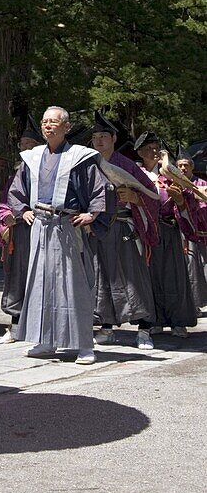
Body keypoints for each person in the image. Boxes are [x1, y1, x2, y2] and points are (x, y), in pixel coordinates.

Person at [7, 106, 111, 365]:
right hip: (40, 227)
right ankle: (46, 340)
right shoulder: (31, 158)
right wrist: (23, 211)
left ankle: (85, 345)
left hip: (66, 225)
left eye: (54, 122)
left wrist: (92, 215)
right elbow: (16, 190)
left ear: (66, 126)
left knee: (73, 285)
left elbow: (101, 188)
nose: (48, 126)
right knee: (40, 284)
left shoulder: (79, 157)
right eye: (45, 122)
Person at [90, 113, 159, 350]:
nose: (99, 141)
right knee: (102, 276)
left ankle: (144, 329)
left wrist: (135, 197)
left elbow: (153, 194)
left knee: (134, 276)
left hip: (125, 227)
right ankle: (106, 327)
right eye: (95, 137)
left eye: (103, 136)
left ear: (113, 138)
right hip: (99, 228)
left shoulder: (127, 164)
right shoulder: (90, 164)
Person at [134, 131, 197, 338]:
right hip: (145, 229)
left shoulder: (169, 174)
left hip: (169, 228)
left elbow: (187, 200)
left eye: (155, 148)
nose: (152, 152)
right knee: (150, 277)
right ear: (140, 152)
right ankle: (154, 320)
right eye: (147, 149)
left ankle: (178, 321)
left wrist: (179, 201)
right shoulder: (137, 173)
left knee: (174, 276)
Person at [0, 116, 44, 344]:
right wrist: (9, 217)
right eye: (22, 144)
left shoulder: (46, 167)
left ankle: (42, 326)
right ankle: (15, 325)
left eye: (29, 144)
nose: (25, 148)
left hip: (43, 226)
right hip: (21, 230)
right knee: (18, 276)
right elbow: (6, 200)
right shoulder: (17, 171)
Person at [176, 150, 207, 312]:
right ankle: (194, 305)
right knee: (191, 270)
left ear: (192, 167)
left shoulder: (202, 184)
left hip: (203, 232)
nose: (182, 169)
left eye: (185, 165)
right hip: (185, 233)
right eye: (179, 166)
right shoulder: (174, 185)